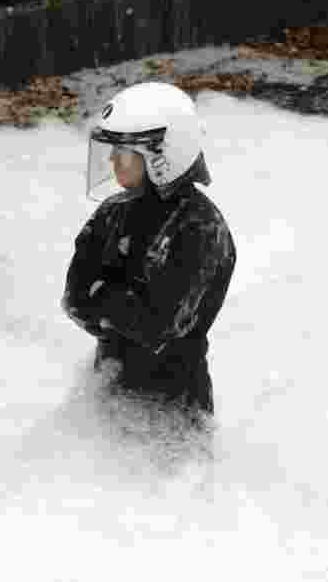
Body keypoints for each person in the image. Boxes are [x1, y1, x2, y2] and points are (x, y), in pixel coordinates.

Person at [61, 81, 236, 456]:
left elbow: (158, 325)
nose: (111, 163)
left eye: (123, 154)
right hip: (107, 391)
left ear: (162, 156)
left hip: (172, 417)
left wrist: (104, 298)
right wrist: (114, 306)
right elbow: (75, 297)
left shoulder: (200, 229)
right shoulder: (113, 211)